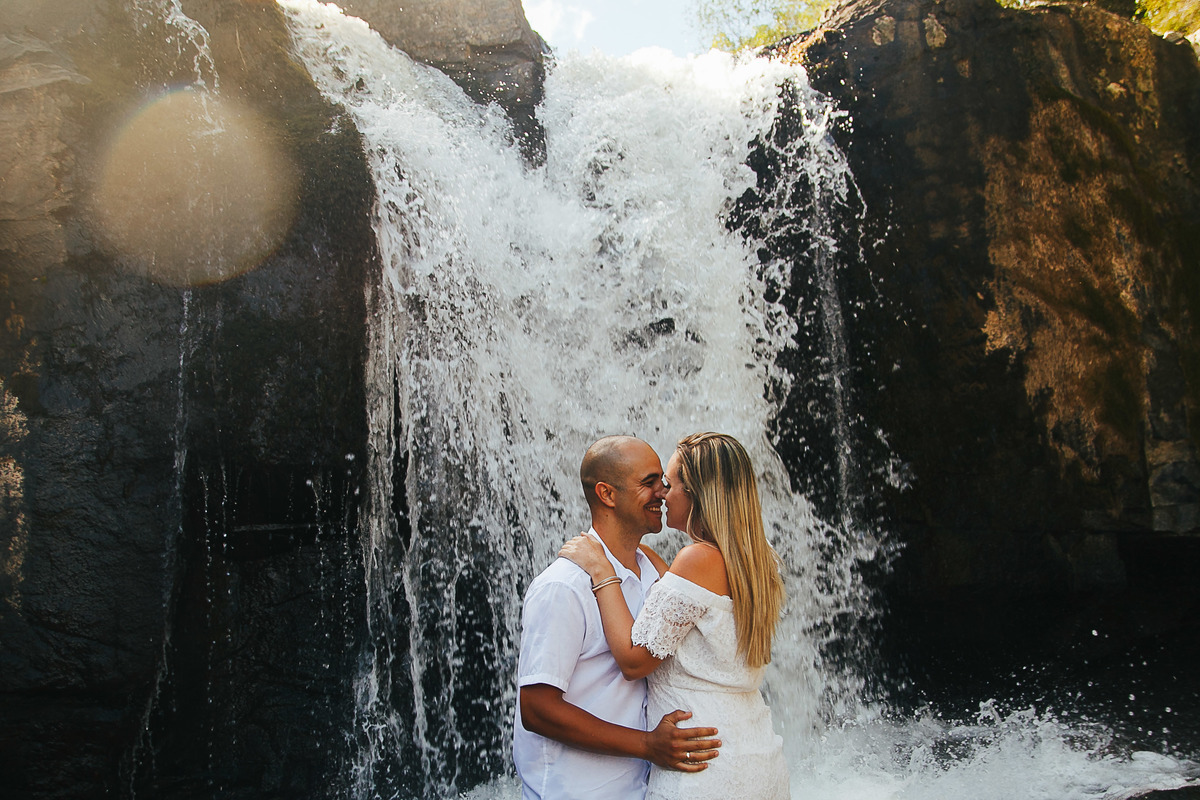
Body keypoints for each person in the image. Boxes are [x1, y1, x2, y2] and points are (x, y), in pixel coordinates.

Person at [558, 432, 790, 800]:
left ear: (698, 493)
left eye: (670, 483)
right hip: (756, 756)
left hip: (703, 767)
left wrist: (604, 573)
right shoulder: (757, 558)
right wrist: (647, 557)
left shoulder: (697, 560)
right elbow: (698, 611)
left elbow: (634, 661)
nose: (663, 493)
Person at [513, 435, 722, 800]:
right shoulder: (564, 586)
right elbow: (536, 709)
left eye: (664, 481)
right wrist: (647, 745)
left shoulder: (657, 576)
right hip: (578, 791)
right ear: (607, 494)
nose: (663, 492)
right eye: (649, 482)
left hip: (644, 788)